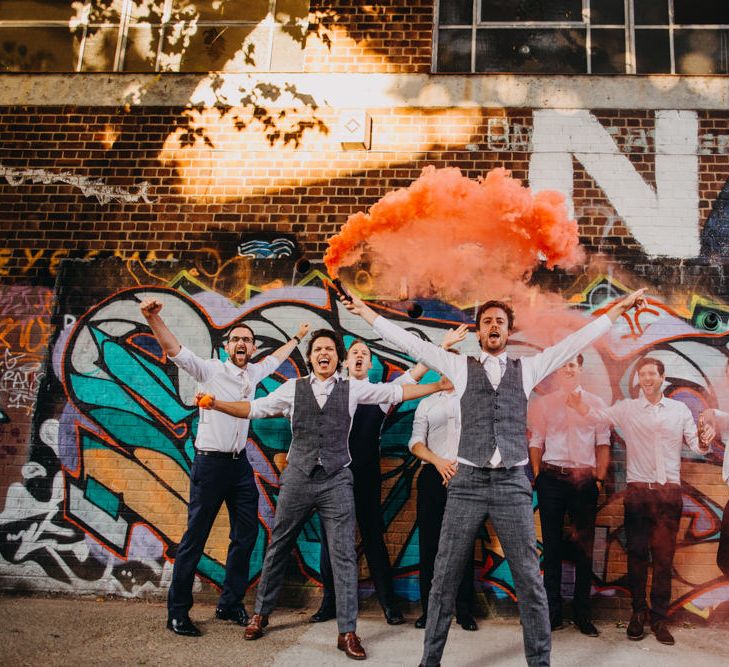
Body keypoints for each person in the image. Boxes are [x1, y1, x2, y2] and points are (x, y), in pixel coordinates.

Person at [341, 288, 646, 667]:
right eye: (486, 322)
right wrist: (365, 313)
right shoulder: (459, 366)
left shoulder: (529, 368)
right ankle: (429, 661)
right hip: (466, 483)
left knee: (529, 581)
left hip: (512, 484)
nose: (493, 327)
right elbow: (407, 342)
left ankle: (540, 661)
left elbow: (576, 340)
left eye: (499, 322)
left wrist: (619, 307)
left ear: (508, 331)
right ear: (479, 331)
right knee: (444, 577)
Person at [198, 328, 450, 660]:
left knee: (344, 555)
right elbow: (253, 409)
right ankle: (261, 614)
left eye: (330, 349)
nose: (324, 353)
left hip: (336, 480)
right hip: (298, 478)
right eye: (318, 349)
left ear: (337, 356)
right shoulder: (293, 388)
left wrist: (437, 385)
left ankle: (347, 632)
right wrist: (216, 404)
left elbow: (396, 392)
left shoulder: (351, 389)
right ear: (311, 356)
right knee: (279, 545)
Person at [139, 297, 309, 637]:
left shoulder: (253, 373)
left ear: (252, 347)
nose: (242, 343)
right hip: (210, 465)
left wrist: (296, 338)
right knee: (195, 538)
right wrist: (152, 319)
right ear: (227, 346)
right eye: (236, 339)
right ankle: (177, 613)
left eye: (247, 339)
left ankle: (230, 603)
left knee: (246, 535)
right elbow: (176, 350)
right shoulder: (210, 369)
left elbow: (275, 359)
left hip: (239, 466)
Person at [313, 329, 465, 626]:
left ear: (370, 365)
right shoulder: (330, 392)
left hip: (366, 477)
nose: (359, 356)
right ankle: (329, 602)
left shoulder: (380, 395)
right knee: (331, 541)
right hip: (332, 477)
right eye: (354, 353)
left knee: (373, 539)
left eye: (365, 354)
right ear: (344, 362)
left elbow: (413, 376)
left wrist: (441, 346)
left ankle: (389, 605)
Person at [568, 356, 710, 646]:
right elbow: (598, 417)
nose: (646, 379)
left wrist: (706, 440)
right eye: (642, 374)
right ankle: (637, 614)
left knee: (663, 559)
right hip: (638, 494)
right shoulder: (628, 409)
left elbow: (696, 445)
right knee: (636, 557)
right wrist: (579, 403)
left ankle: (659, 619)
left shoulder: (679, 410)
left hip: (668, 494)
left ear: (662, 378)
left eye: (651, 374)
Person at [528, 354, 610, 637]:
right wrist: (538, 475)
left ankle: (582, 614)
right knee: (550, 549)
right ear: (558, 370)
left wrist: (598, 479)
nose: (568, 369)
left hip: (584, 481)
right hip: (551, 479)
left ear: (580, 369)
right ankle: (552, 613)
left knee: (584, 551)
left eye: (572, 364)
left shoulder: (596, 404)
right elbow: (536, 441)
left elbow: (603, 444)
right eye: (563, 364)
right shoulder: (545, 404)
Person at [408, 353, 479, 633]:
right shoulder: (427, 403)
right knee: (430, 547)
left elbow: (480, 437)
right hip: (431, 478)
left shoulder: (470, 400)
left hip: (465, 479)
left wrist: (460, 466)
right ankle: (430, 610)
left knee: (464, 546)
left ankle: (465, 611)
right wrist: (439, 462)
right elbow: (415, 442)